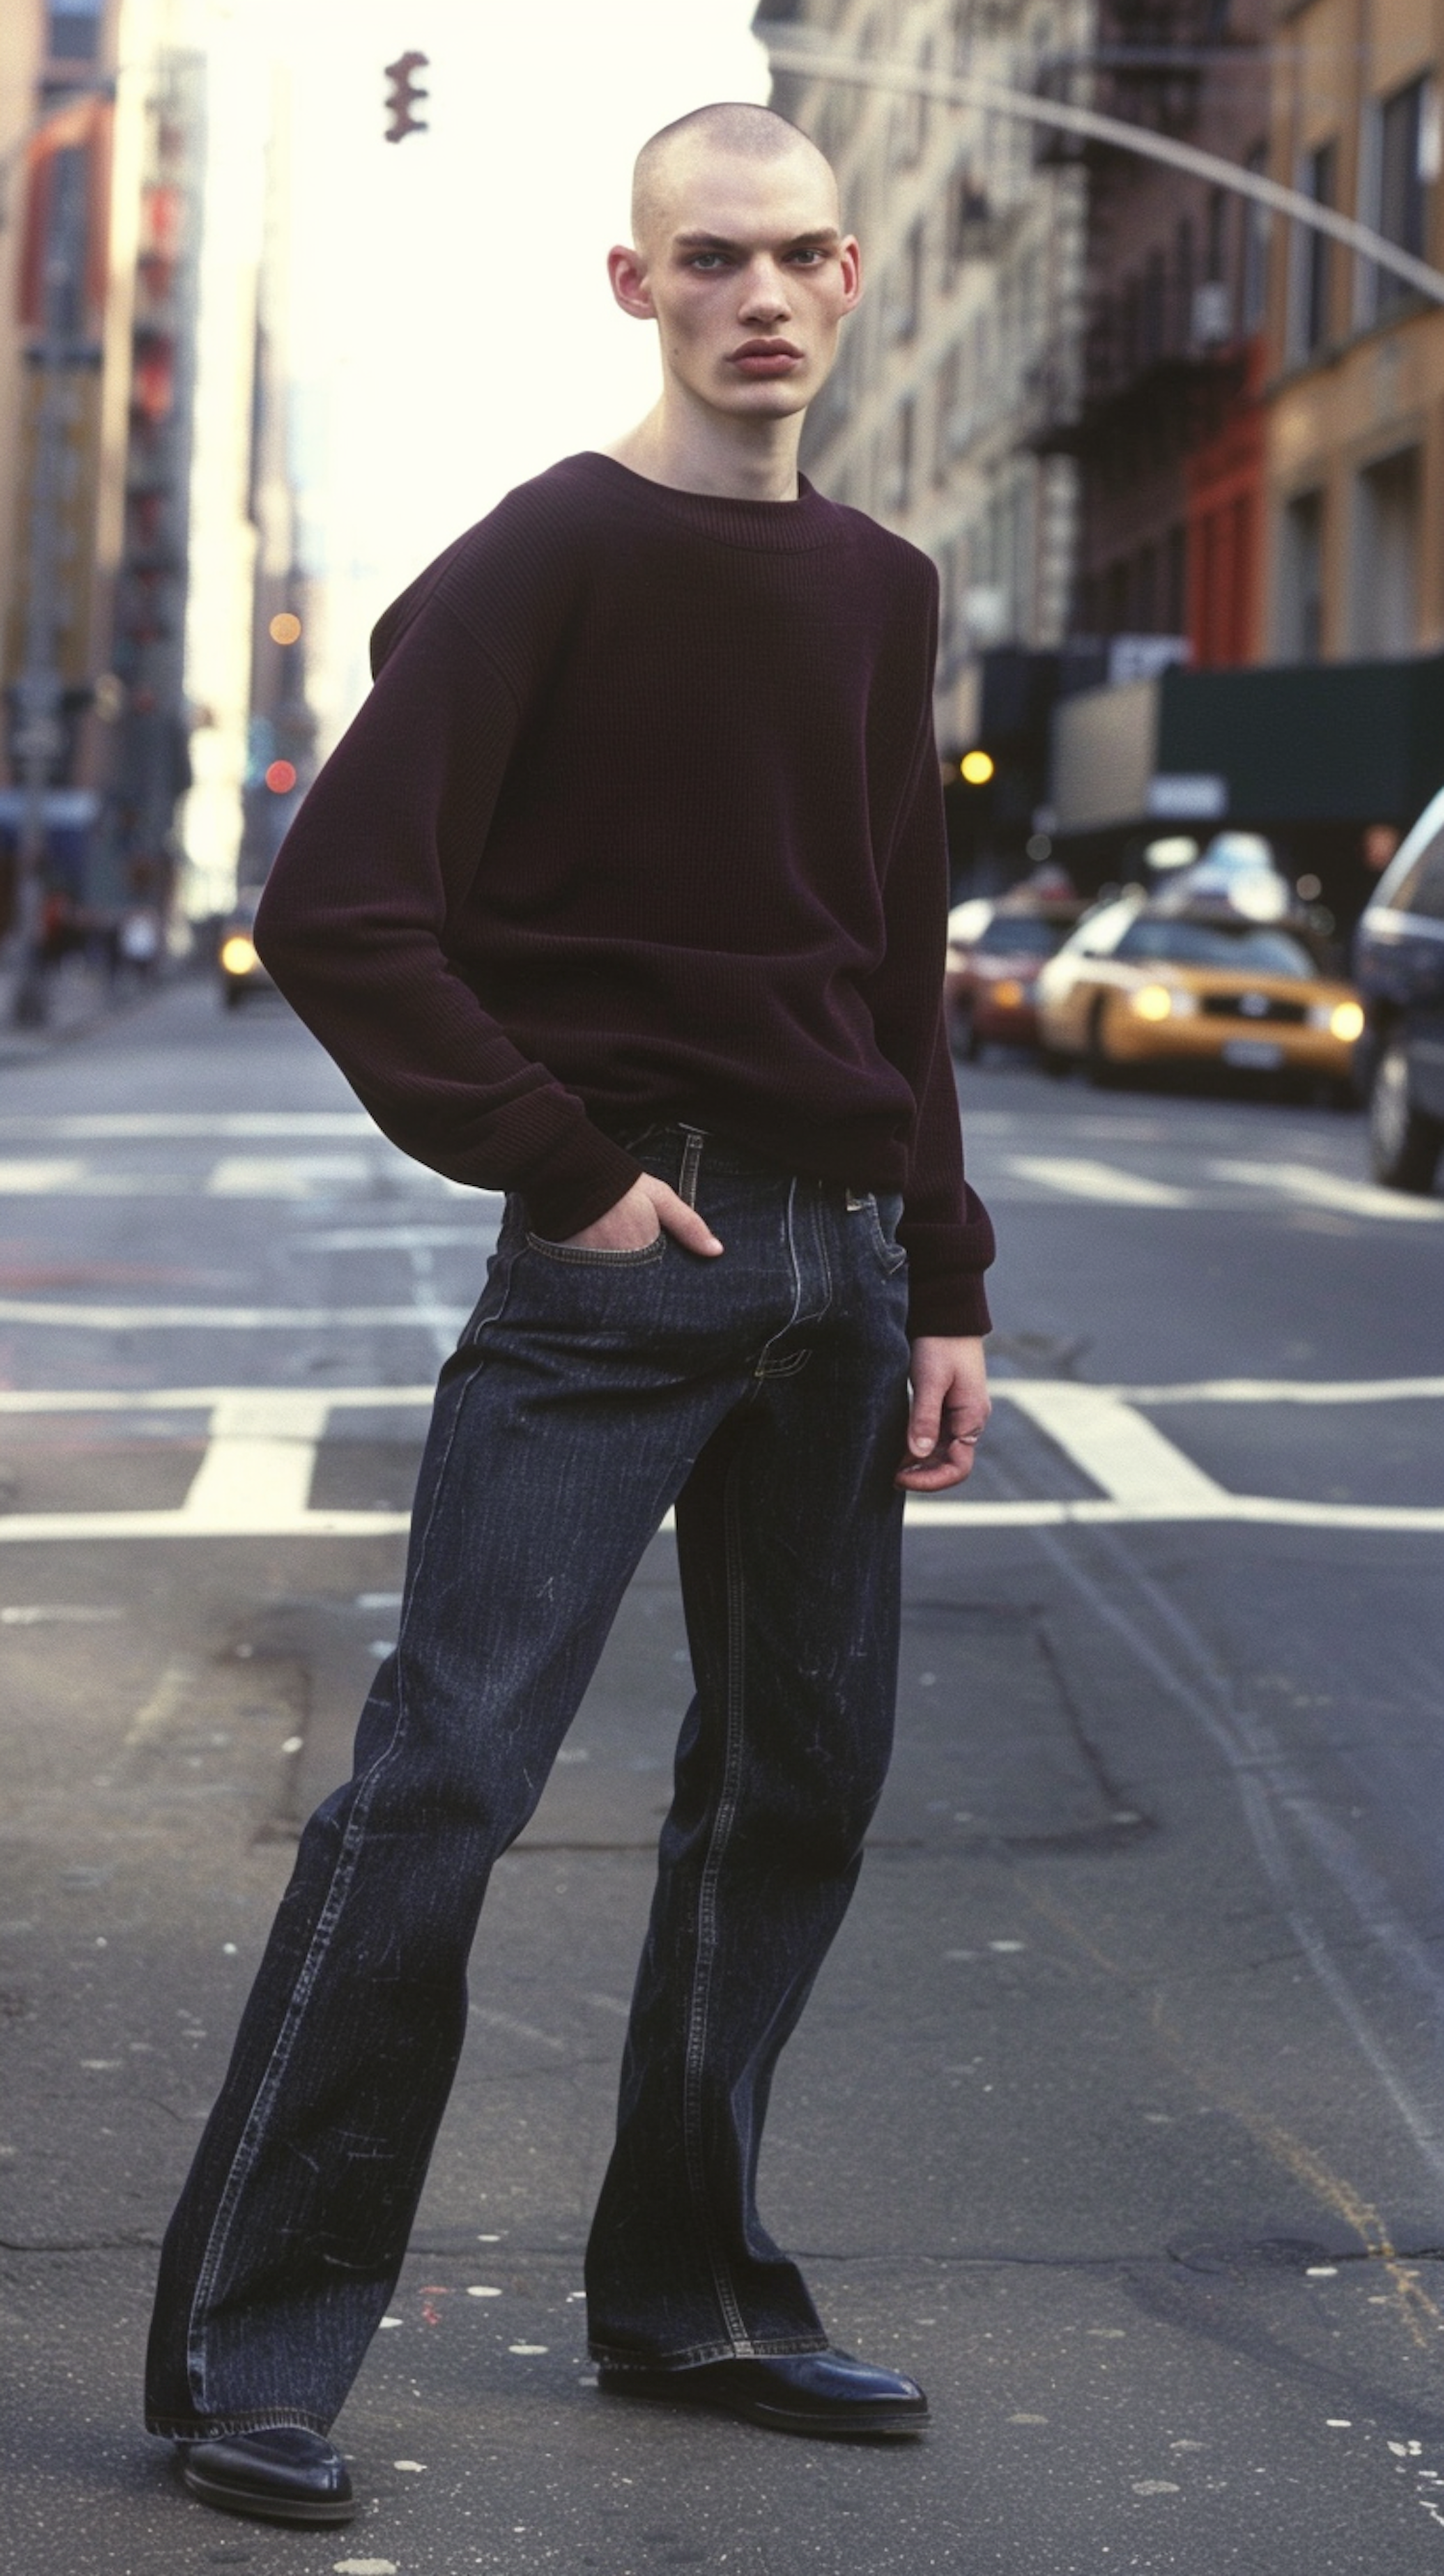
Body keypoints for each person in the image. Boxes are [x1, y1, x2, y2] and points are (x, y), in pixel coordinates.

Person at [144, 100, 994, 2529]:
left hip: (840, 1260)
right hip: (627, 1260)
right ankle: (255, 2351)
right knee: (445, 1788)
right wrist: (575, 1170)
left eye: (800, 257)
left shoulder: (883, 586)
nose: (760, 295)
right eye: (707, 257)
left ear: (847, 286)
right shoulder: (539, 560)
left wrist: (940, 1273)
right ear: (637, 287)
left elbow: (899, 957)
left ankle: (696, 2295)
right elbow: (342, 910)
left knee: (793, 1792)